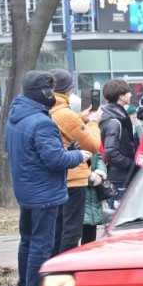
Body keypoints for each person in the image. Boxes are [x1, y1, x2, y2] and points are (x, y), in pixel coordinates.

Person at [6, 71, 90, 286]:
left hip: (25, 190)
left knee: (27, 240)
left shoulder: (16, 117)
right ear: (43, 92)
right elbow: (55, 160)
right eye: (50, 90)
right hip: (44, 193)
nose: (53, 94)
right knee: (41, 245)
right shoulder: (43, 122)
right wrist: (78, 154)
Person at [48, 69, 103, 256]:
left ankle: (54, 266)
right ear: (69, 90)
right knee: (71, 230)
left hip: (57, 178)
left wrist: (83, 117)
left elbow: (66, 125)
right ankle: (66, 269)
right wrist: (94, 123)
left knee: (57, 229)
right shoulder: (65, 114)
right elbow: (93, 145)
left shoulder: (49, 108)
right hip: (73, 178)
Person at [99, 78, 137, 202]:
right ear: (121, 96)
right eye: (128, 92)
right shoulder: (114, 122)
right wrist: (131, 164)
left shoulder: (111, 115)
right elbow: (111, 153)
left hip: (118, 175)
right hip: (119, 178)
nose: (130, 94)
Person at [81, 152, 107, 245]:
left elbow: (98, 157)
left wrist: (100, 172)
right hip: (78, 193)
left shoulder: (91, 139)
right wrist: (91, 177)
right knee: (72, 235)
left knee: (90, 234)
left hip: (93, 195)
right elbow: (73, 171)